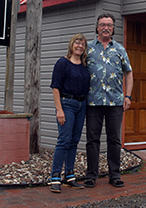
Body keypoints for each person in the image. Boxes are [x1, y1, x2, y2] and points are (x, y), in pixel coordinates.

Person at [84, 13, 133, 188]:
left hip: (115, 102)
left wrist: (128, 96)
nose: (106, 28)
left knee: (114, 140)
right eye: (103, 24)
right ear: (97, 27)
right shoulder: (88, 48)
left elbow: (128, 72)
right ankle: (91, 176)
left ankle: (114, 175)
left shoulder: (120, 49)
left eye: (109, 25)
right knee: (92, 139)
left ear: (113, 29)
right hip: (92, 103)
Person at [49, 33, 90, 193]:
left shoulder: (85, 66)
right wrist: (59, 110)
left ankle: (69, 175)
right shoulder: (62, 63)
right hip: (67, 104)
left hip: (82, 105)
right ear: (72, 44)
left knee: (74, 141)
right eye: (77, 43)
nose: (80, 46)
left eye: (83, 44)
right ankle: (55, 177)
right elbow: (55, 87)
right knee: (64, 141)